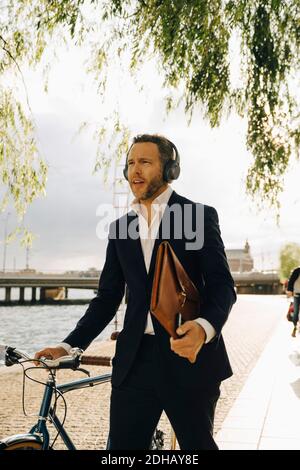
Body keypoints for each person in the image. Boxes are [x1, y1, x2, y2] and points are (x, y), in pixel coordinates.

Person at [34, 134, 236, 450]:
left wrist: (204, 328)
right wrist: (69, 344)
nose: (135, 171)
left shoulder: (198, 216)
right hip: (134, 362)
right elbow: (107, 298)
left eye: (145, 162)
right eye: (130, 163)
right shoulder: (120, 228)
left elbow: (222, 286)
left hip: (189, 357)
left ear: (170, 170)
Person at [287, 266, 300, 337]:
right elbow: (291, 281)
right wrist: (290, 291)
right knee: (296, 312)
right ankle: (295, 327)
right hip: (297, 294)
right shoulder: (297, 271)